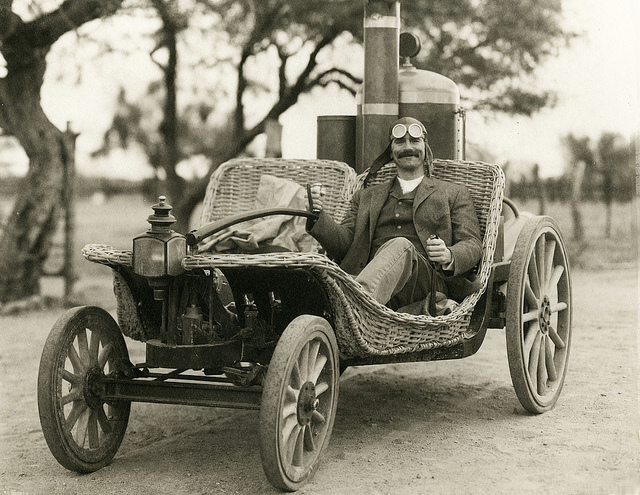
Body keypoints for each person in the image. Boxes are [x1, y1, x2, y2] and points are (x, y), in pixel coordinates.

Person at [306, 117, 482, 315]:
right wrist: (318, 215)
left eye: (415, 141)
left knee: (401, 245)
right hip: (367, 278)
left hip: (424, 285)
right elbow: (346, 244)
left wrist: (449, 254)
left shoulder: (453, 193)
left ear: (426, 149)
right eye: (400, 142)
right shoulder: (366, 195)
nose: (408, 147)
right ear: (391, 152)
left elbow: (472, 244)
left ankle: (355, 309)